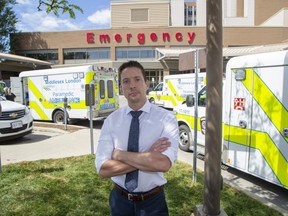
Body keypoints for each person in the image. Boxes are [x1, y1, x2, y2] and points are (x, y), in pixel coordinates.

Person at [95, 60, 179, 216]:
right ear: (121, 88)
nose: (132, 85)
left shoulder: (166, 119)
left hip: (153, 203)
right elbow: (103, 170)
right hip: (119, 202)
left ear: (146, 83)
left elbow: (163, 163)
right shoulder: (111, 121)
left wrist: (119, 155)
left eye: (137, 79)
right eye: (126, 81)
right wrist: (148, 155)